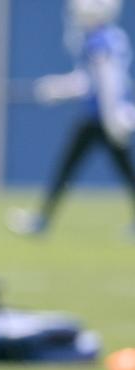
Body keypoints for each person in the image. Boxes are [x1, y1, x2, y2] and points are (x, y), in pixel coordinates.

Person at [8, 0, 135, 237]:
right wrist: (61, 88)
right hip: (101, 117)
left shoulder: (100, 40)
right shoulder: (112, 37)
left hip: (102, 118)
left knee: (72, 167)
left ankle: (41, 220)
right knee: (82, 168)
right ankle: (42, 219)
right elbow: (93, 80)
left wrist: (113, 116)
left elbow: (107, 83)